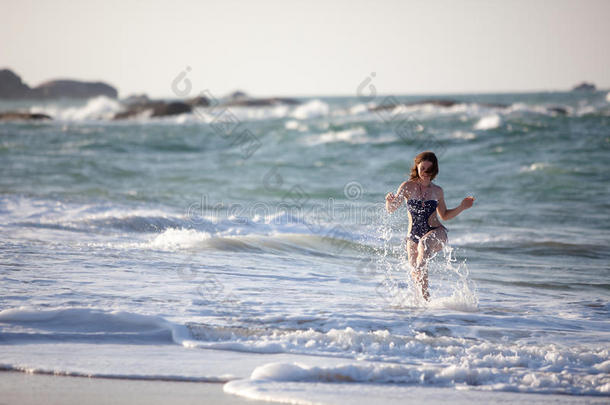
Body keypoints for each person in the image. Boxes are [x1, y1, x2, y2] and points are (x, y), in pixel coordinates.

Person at [385, 151, 474, 300]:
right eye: (422, 169)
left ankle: (418, 271)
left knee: (424, 245)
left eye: (429, 170)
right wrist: (388, 201)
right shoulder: (407, 186)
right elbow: (391, 209)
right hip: (412, 236)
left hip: (436, 232)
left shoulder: (437, 191)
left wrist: (462, 207)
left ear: (435, 171)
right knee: (419, 280)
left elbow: (444, 215)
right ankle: (426, 307)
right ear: (417, 168)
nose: (426, 173)